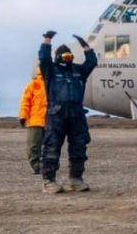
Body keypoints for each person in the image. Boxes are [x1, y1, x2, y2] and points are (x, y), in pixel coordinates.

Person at [38, 31, 97, 194]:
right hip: (56, 114)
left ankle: (76, 179)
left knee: (79, 147)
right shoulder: (50, 71)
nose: (68, 59)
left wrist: (85, 47)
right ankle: (48, 181)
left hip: (77, 114)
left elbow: (91, 62)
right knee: (51, 147)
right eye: (65, 56)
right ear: (58, 57)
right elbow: (43, 59)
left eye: (70, 56)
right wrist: (47, 41)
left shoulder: (78, 71)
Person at [19, 66, 47, 174]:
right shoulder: (33, 84)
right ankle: (36, 166)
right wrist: (23, 116)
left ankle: (47, 164)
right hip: (35, 120)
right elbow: (25, 101)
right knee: (33, 145)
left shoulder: (52, 84)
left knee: (49, 145)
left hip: (49, 121)